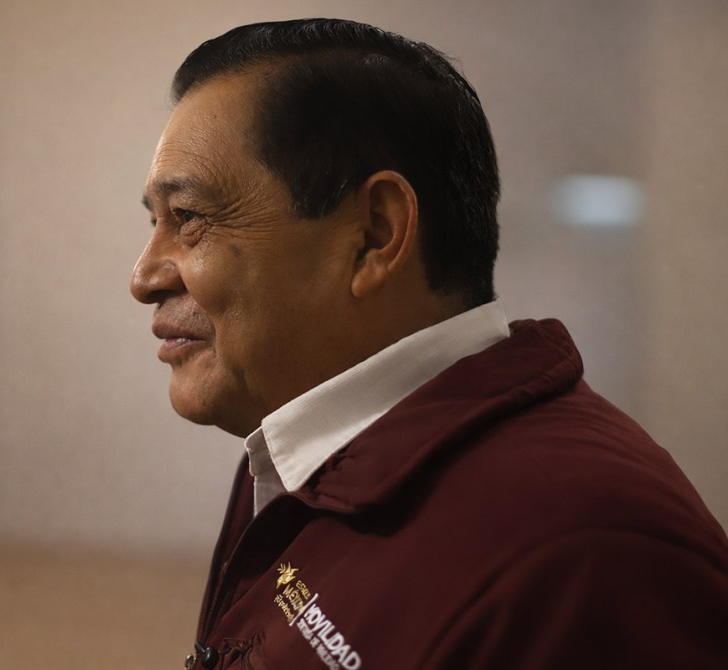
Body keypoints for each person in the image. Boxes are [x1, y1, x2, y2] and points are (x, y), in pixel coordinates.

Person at [130, 18, 728, 670]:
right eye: (154, 221)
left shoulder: (585, 557)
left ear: (372, 234)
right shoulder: (296, 457)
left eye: (188, 218)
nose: (144, 277)